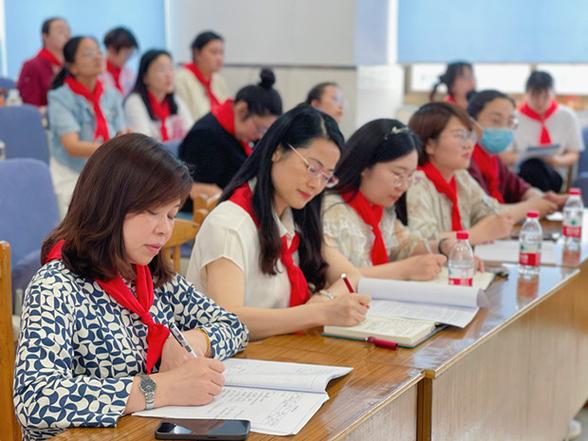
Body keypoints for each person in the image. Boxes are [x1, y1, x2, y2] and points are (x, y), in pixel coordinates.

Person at [13, 134, 248, 441]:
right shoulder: (56, 286)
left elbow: (234, 326)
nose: (164, 229)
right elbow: (36, 399)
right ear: (108, 205)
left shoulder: (149, 276)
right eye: (152, 212)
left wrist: (192, 340)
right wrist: (161, 388)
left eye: (171, 214)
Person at [186, 104, 370, 340]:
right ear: (277, 151)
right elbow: (228, 319)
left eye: (326, 176)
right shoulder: (230, 224)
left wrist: (324, 300)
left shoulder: (296, 216)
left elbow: (351, 276)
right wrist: (318, 313)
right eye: (312, 168)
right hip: (230, 365)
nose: (316, 184)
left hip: (279, 353)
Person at [322, 119, 449, 281]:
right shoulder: (332, 211)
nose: (403, 186)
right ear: (365, 166)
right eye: (397, 174)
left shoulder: (380, 208)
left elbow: (404, 244)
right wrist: (404, 270)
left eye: (410, 176)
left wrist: (443, 246)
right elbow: (336, 278)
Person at [406, 102, 514, 244]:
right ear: (429, 145)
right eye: (459, 135)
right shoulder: (416, 181)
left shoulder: (461, 176)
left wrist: (493, 225)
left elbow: (493, 213)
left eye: (470, 135)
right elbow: (423, 243)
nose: (469, 144)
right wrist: (478, 233)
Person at [178, 68, 282, 211]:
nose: (260, 136)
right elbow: (194, 189)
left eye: (265, 131)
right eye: (259, 128)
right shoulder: (205, 136)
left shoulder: (245, 135)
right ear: (242, 110)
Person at [48, 36, 128, 217]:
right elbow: (72, 146)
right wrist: (114, 148)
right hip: (73, 172)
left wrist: (121, 146)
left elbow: (122, 136)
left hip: (107, 169)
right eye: (88, 54)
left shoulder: (112, 95)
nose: (98, 57)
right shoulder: (60, 98)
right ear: (72, 66)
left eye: (98, 51)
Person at [467, 89, 567, 221]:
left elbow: (519, 188)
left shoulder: (493, 158)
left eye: (509, 122)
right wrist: (531, 207)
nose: (503, 128)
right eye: (496, 121)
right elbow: (483, 213)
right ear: (472, 122)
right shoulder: (465, 160)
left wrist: (543, 198)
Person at [502, 71, 584, 192]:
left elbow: (574, 154)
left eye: (545, 96)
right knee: (531, 166)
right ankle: (545, 203)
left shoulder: (567, 116)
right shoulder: (513, 118)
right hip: (520, 174)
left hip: (554, 173)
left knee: (537, 169)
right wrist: (523, 157)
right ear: (526, 94)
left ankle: (537, 202)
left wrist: (556, 160)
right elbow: (504, 156)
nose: (540, 102)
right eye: (534, 96)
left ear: (553, 94)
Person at [124, 49, 192, 142]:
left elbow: (191, 134)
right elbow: (144, 144)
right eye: (161, 70)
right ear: (145, 77)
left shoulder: (175, 101)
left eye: (170, 69)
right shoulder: (134, 102)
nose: (168, 75)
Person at [175, 31, 231, 121]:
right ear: (197, 54)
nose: (219, 58)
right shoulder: (181, 79)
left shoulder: (219, 79)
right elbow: (185, 119)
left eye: (221, 52)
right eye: (214, 52)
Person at [17, 17, 71, 109]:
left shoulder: (72, 65)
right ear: (45, 36)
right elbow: (30, 107)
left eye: (68, 31)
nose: (66, 35)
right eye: (60, 31)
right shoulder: (32, 66)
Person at [100, 26, 139, 96]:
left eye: (131, 54)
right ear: (112, 49)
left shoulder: (130, 74)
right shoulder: (97, 73)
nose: (128, 59)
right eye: (126, 54)